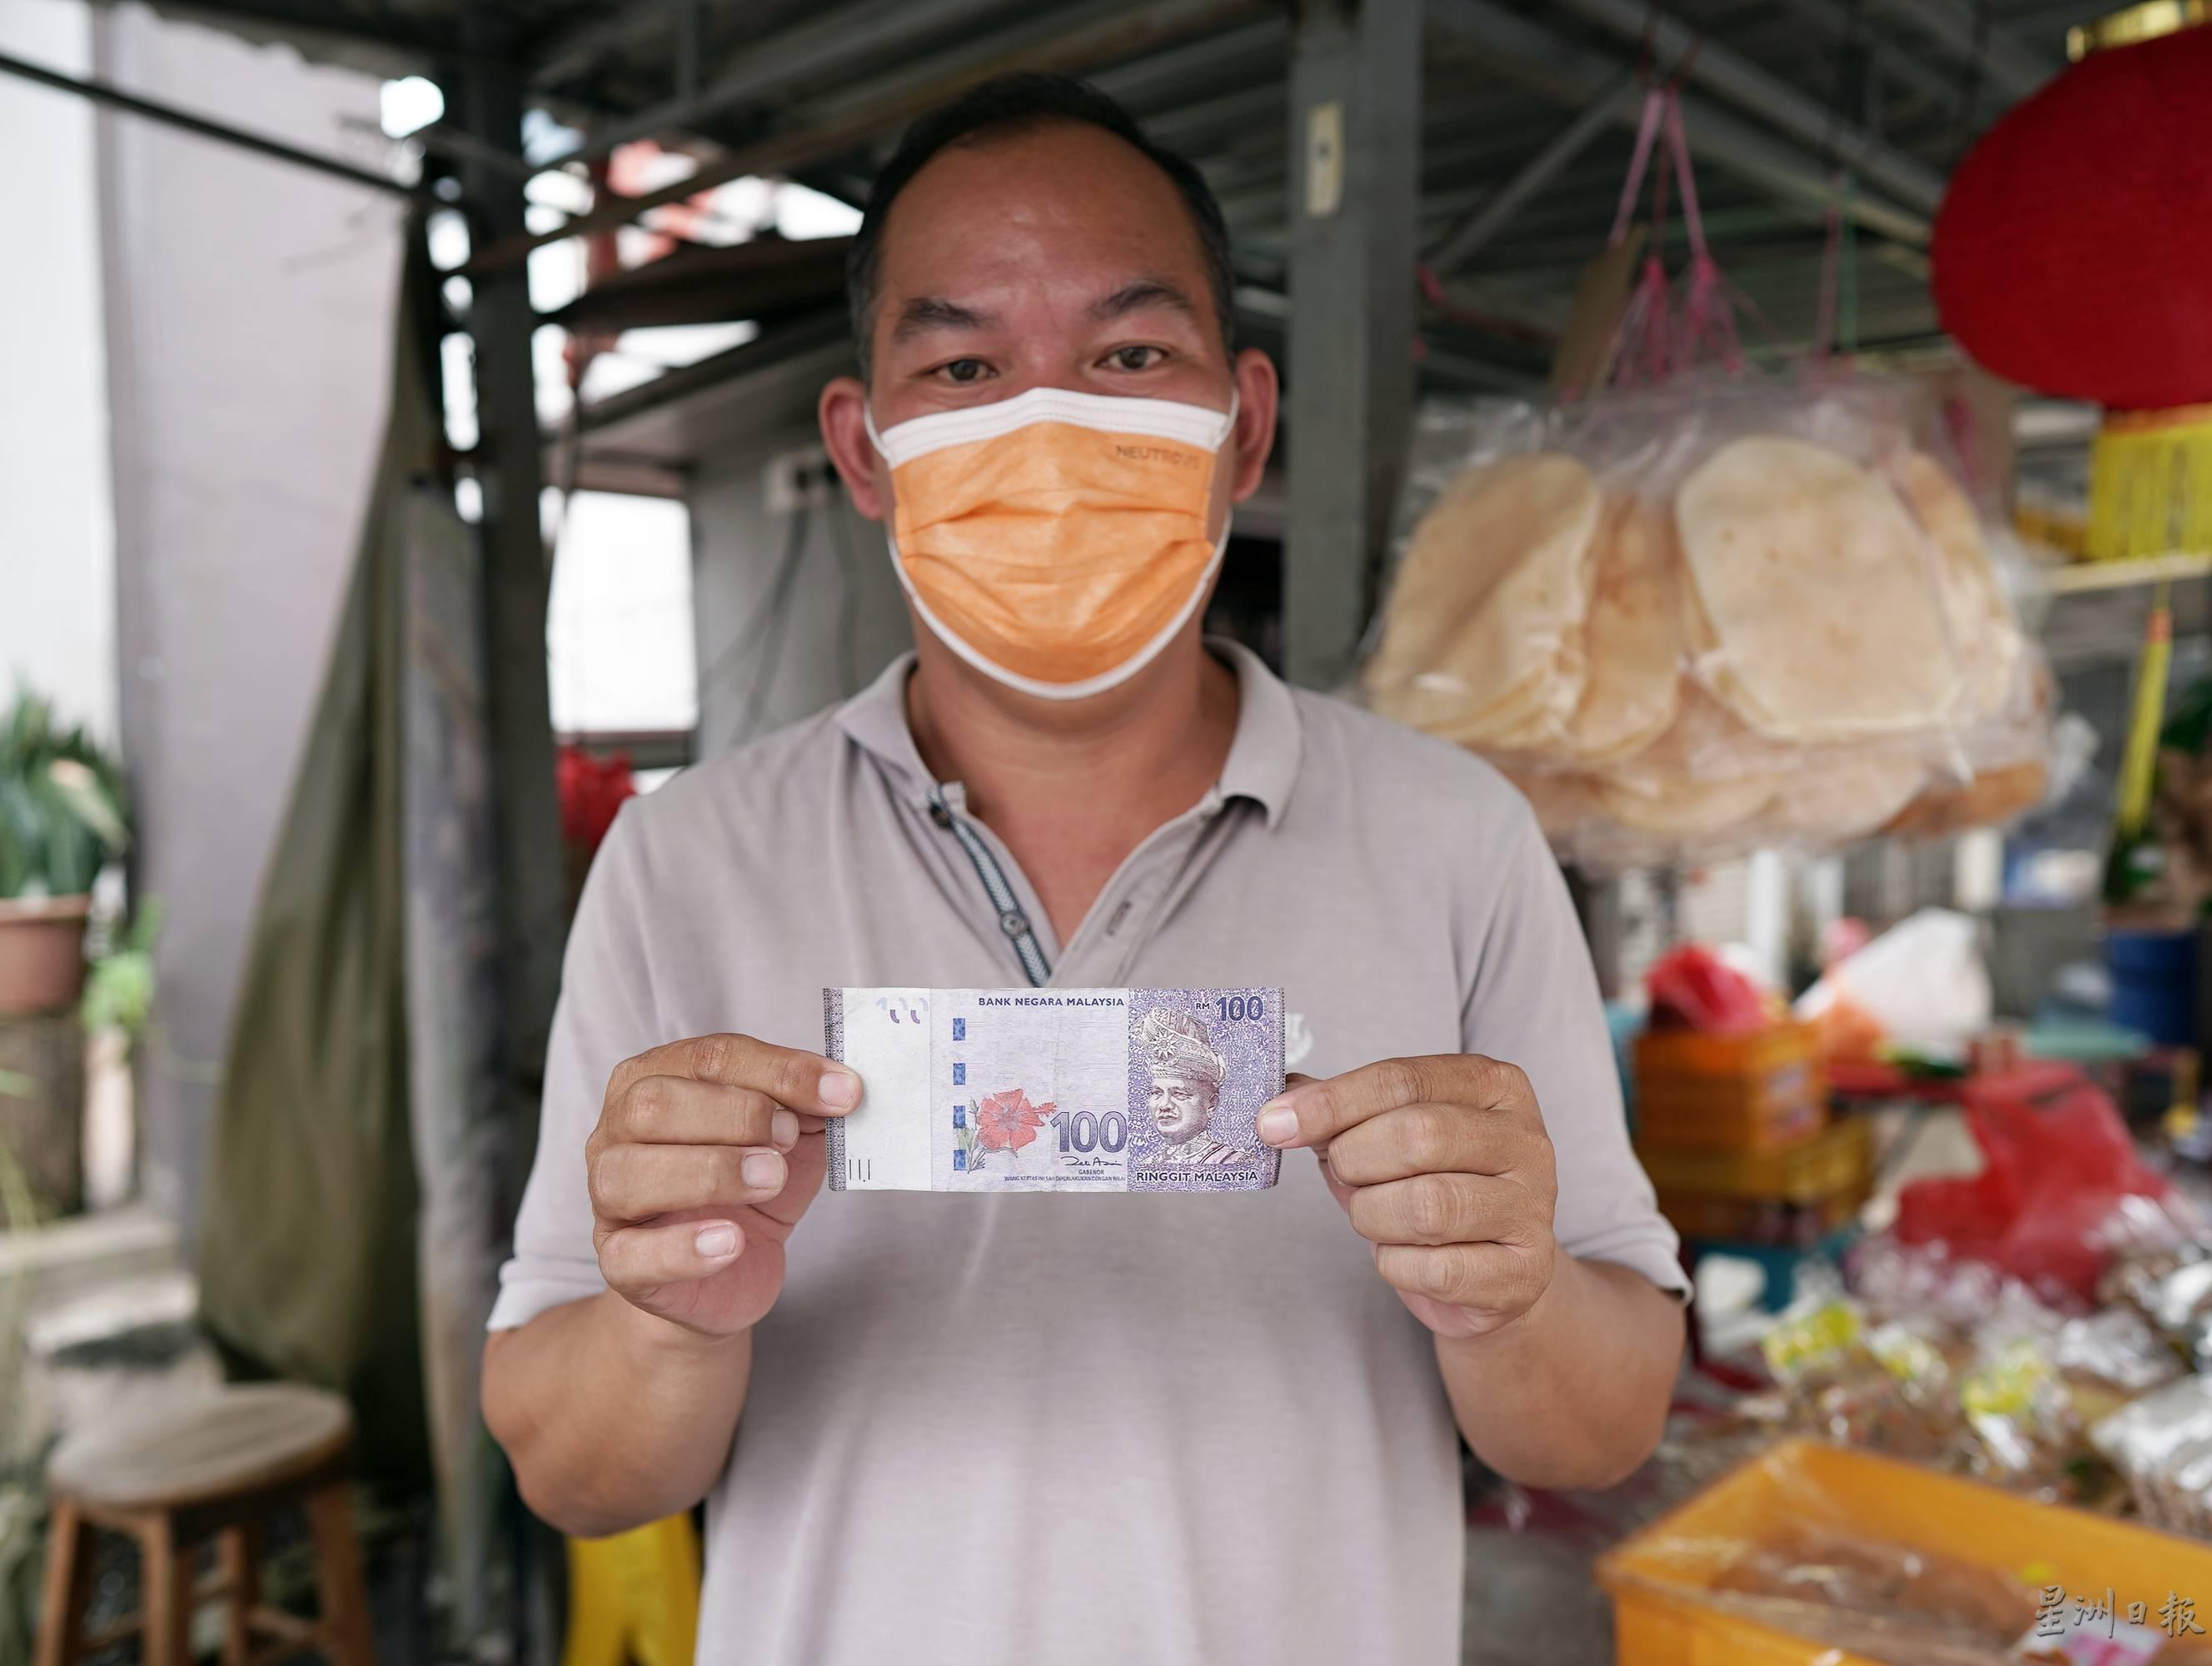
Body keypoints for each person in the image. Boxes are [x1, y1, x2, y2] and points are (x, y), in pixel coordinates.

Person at [482, 72, 1686, 1666]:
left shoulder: (1455, 836)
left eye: (1128, 356)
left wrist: (1511, 1292)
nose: (1046, 429)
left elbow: (1598, 1436)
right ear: (864, 448)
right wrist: (667, 1313)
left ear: (1242, 425)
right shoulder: (685, 858)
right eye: (964, 364)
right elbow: (573, 1475)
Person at [1138, 1005, 1248, 1165]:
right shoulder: (1148, 1164)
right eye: (1156, 1093)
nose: (1164, 1105)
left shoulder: (1235, 1162)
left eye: (1179, 1094)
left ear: (1211, 1103)